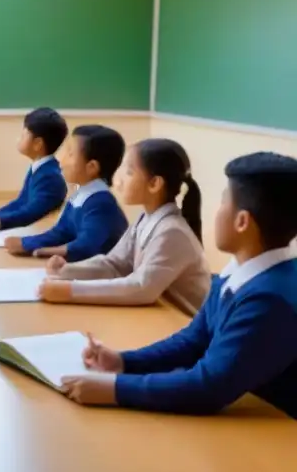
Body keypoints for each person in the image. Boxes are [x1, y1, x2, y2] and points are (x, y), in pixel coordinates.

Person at [61, 152, 297, 417]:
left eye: (222, 204)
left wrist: (115, 389)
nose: (216, 214)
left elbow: (209, 386)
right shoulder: (238, 272)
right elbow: (193, 341)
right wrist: (123, 361)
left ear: (242, 222)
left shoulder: (269, 300)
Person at [39, 139, 211, 315]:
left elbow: (141, 288)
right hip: (163, 315)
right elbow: (116, 264)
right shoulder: (146, 219)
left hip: (187, 326)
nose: (118, 181)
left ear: (154, 184)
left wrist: (70, 291)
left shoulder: (172, 232)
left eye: (129, 172)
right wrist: (67, 271)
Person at [6, 125, 128, 262]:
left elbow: (88, 246)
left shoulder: (101, 203)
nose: (61, 160)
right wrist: (26, 243)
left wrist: (50, 251)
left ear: (92, 167)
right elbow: (61, 232)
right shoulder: (79, 195)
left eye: (70, 154)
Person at [0, 107, 68, 233]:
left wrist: (0, 222)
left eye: (23, 135)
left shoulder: (50, 176)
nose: (18, 139)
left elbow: (32, 212)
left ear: (37, 144)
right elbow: (21, 202)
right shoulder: (39, 168)